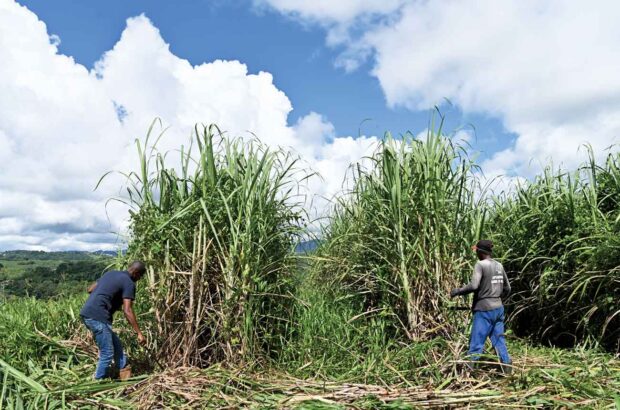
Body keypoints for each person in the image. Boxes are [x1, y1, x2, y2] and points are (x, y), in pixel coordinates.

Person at [450, 240, 512, 373]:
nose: (476, 253)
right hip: (498, 309)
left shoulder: (480, 265)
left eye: (476, 250)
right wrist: (497, 299)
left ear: (480, 251)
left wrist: (458, 291)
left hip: (484, 310)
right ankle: (508, 371)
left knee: (476, 343)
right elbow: (508, 288)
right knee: (499, 341)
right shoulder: (499, 265)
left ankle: (467, 375)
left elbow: (474, 286)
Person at [80, 261, 147, 379]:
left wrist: (111, 299)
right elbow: (128, 310)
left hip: (87, 313)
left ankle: (124, 373)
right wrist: (139, 333)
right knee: (107, 353)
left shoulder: (111, 273)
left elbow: (90, 289)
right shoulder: (129, 283)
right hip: (98, 316)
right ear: (136, 273)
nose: (139, 279)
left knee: (117, 346)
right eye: (140, 277)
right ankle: (97, 383)